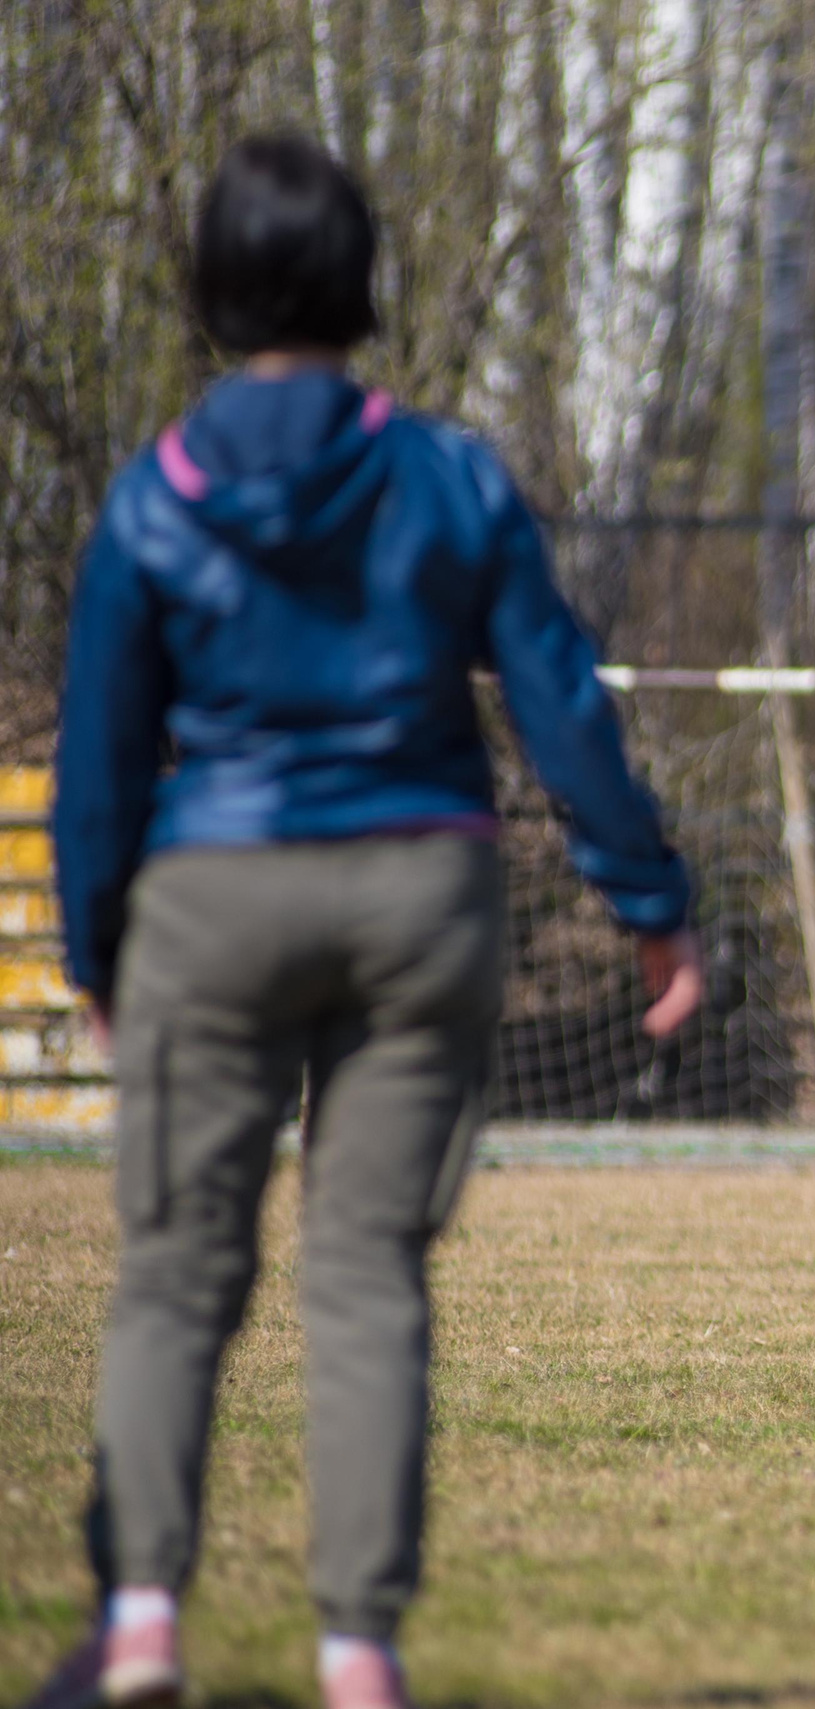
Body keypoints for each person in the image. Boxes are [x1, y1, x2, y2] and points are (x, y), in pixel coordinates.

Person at [26, 135, 701, 1709]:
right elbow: (561, 703)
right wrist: (652, 903)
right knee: (369, 1275)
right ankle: (358, 1658)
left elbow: (104, 754)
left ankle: (138, 1626)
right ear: (363, 287)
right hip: (422, 893)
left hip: (212, 894)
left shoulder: (151, 494)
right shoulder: (448, 474)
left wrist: (97, 946)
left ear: (204, 291)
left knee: (177, 1266)